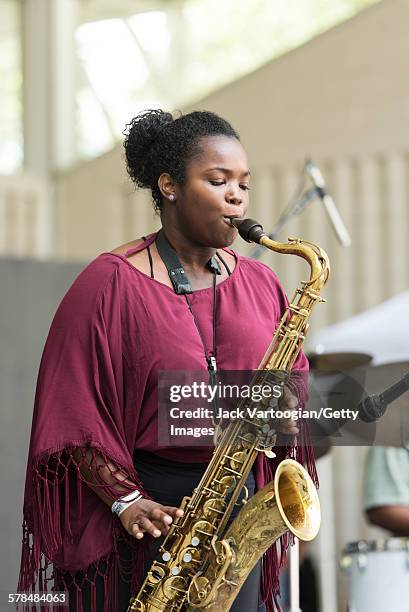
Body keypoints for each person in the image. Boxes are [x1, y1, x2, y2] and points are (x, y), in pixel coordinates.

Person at [18, 109, 316, 612]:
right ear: (169, 186)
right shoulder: (108, 284)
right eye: (218, 180)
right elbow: (72, 413)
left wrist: (288, 408)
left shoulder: (263, 282)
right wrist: (127, 501)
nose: (237, 195)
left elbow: (291, 383)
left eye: (243, 183)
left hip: (236, 504)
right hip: (148, 510)